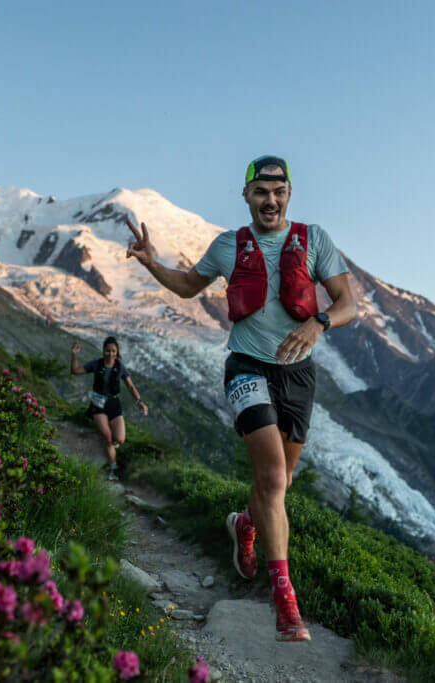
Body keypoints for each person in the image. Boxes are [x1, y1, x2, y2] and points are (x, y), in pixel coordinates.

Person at [125, 155, 356, 642]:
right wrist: (151, 264)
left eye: (278, 192)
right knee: (272, 476)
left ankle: (245, 525)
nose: (269, 200)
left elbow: (347, 302)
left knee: (280, 483)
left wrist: (319, 322)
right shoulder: (228, 246)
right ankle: (284, 600)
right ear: (246, 195)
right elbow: (189, 287)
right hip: (246, 369)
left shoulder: (315, 241)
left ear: (289, 194)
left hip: (297, 375)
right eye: (260, 192)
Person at [70, 337, 148, 480]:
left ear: (117, 352)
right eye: (107, 350)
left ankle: (109, 446)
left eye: (113, 351)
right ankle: (113, 468)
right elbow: (74, 371)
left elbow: (130, 386)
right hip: (98, 404)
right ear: (103, 350)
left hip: (114, 403)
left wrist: (139, 402)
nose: (110, 354)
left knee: (120, 439)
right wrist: (74, 354)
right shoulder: (96, 364)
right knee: (107, 437)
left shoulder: (120, 366)